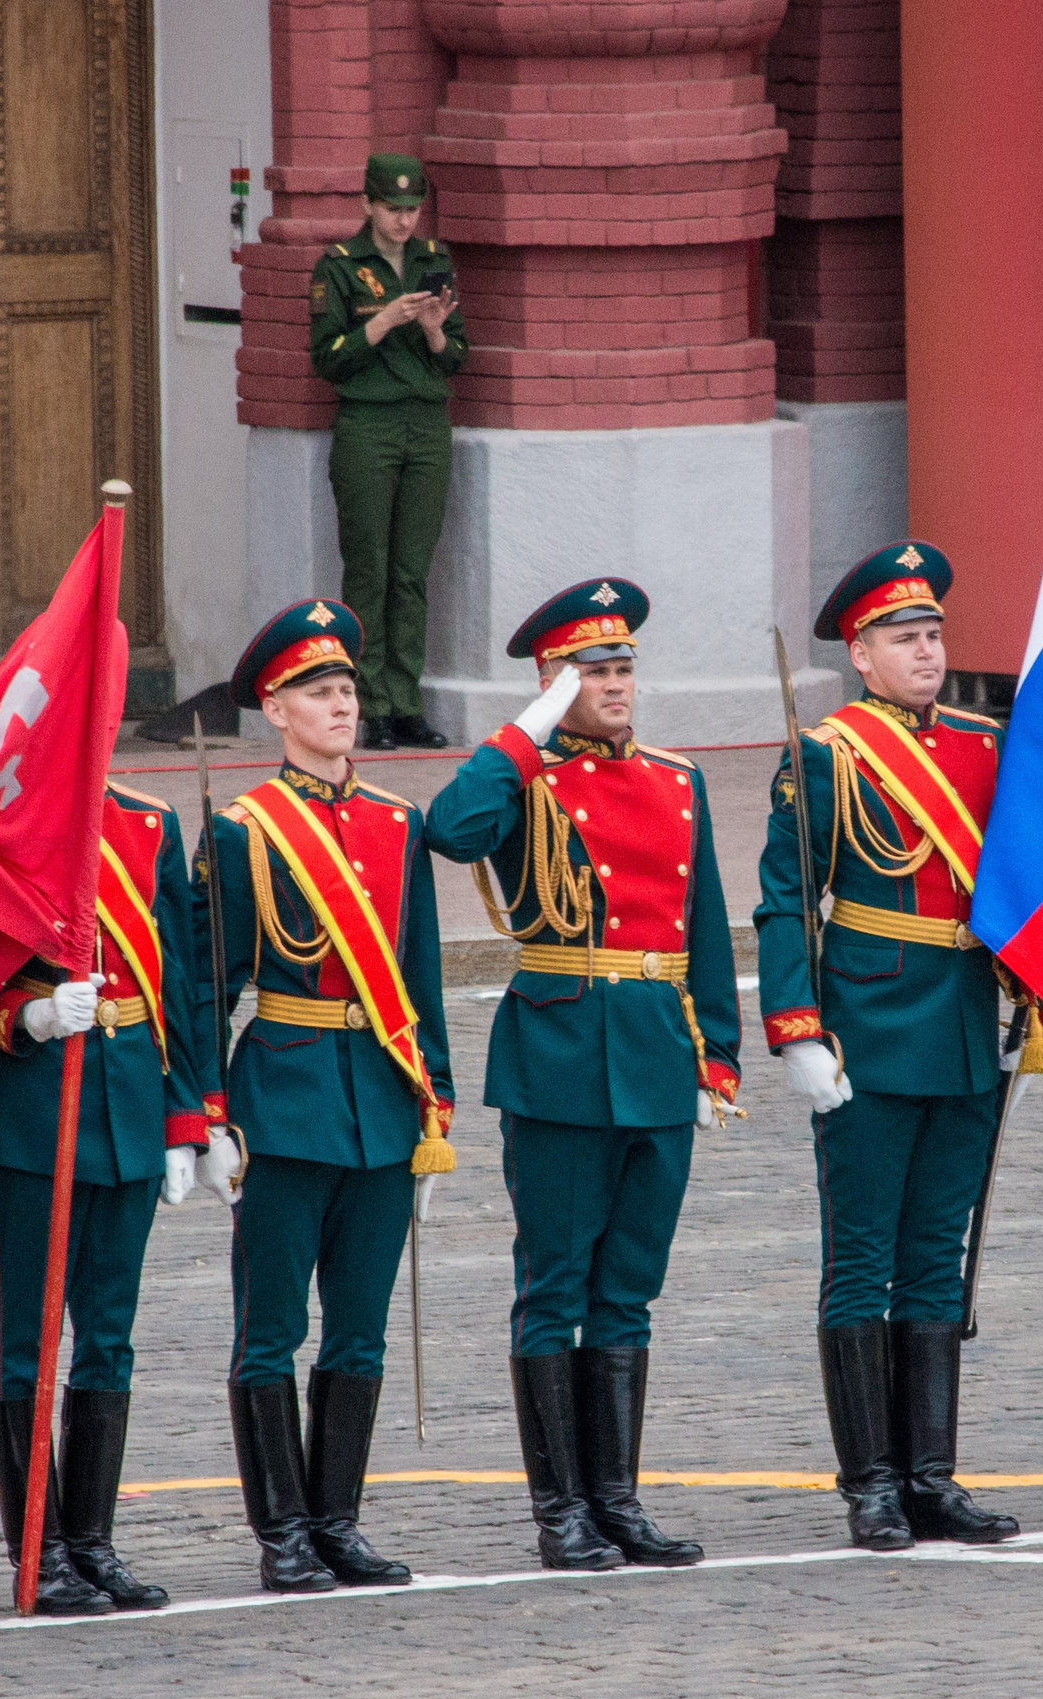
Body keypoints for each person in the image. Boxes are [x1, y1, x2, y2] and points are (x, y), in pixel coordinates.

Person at [424, 578, 741, 1572]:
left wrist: (718, 1053)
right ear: (554, 684)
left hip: (655, 1047)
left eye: (621, 668)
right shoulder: (524, 783)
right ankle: (559, 1506)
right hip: (560, 1055)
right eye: (591, 671)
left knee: (628, 1290)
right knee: (553, 1282)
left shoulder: (679, 782)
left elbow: (702, 932)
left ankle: (616, 1498)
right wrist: (526, 733)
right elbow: (449, 830)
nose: (614, 684)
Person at [751, 543, 1021, 1552]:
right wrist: (795, 1028)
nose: (926, 651)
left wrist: (1026, 1006)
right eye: (904, 638)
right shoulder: (826, 754)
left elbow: (1014, 889)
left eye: (934, 634)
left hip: (958, 1024)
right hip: (866, 1027)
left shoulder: (978, 748)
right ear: (860, 655)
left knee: (936, 1260)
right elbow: (785, 901)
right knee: (862, 1256)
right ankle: (869, 1480)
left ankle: (931, 1474)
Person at [192, 600, 454, 1592]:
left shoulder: (398, 824)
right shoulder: (242, 831)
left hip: (380, 1105)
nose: (340, 704)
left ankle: (337, 1519)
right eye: (317, 691)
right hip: (284, 1100)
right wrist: (206, 1115)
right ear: (275, 709)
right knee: (270, 1326)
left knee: (357, 1325)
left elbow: (419, 983)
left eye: (346, 688)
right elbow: (208, 990)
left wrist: (435, 1110)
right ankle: (283, 1531)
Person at [0, 764, 216, 1616]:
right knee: (25, 1345)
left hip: (130, 1104)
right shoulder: (5, 822)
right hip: (41, 1106)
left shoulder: (148, 825)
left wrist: (188, 1116)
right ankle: (36, 1549)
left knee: (108, 1338)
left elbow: (181, 981)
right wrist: (27, 1015)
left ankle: (93, 1541)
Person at [310, 153, 466, 751]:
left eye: (412, 210)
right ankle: (367, 703)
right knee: (369, 568)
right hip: (368, 425)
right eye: (393, 209)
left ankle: (407, 704)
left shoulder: (434, 261)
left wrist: (430, 329)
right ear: (367, 206)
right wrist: (380, 324)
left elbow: (457, 354)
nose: (404, 222)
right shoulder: (340, 267)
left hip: (426, 424)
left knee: (411, 572)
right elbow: (327, 359)